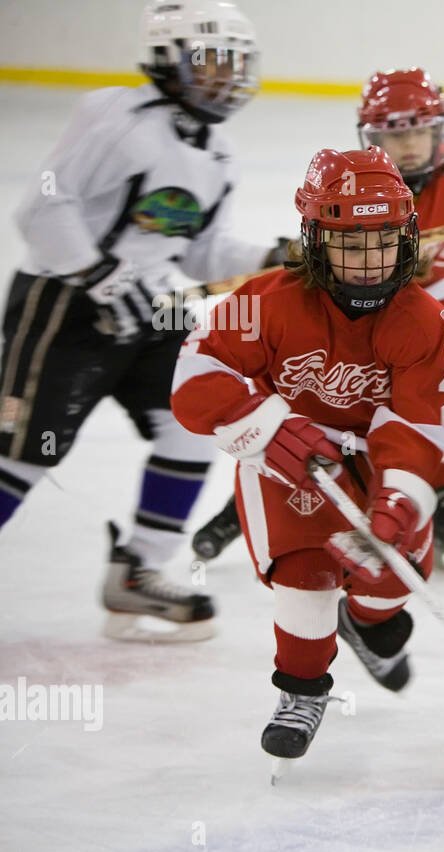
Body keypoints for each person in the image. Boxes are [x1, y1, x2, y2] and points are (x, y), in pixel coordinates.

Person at [191, 67, 444, 575]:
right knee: (311, 404)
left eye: (418, 131)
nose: (407, 146)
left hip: (422, 314)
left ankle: (438, 507)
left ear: (439, 130)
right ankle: (254, 498)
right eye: (391, 135)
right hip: (342, 311)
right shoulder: (360, 181)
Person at [0, 0, 287, 642]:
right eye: (211, 61)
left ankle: (139, 571)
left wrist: (276, 256)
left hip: (154, 308)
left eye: (236, 63)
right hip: (64, 305)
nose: (227, 76)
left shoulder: (217, 153)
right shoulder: (116, 116)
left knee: (194, 419)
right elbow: (42, 211)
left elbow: (200, 254)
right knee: (22, 453)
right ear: (167, 60)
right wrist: (100, 275)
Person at [171, 147, 444, 756]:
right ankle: (302, 689)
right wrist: (269, 427)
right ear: (314, 239)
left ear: (406, 238)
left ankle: (368, 620)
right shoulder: (266, 300)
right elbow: (195, 374)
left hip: (377, 461)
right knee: (305, 578)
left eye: (382, 241)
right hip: (283, 463)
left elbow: (417, 421)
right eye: (348, 244)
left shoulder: (424, 318)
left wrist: (399, 498)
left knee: (390, 577)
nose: (368, 261)